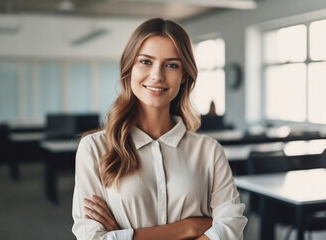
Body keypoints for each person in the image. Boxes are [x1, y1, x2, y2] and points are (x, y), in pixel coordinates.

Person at [72, 18, 247, 240]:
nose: (157, 75)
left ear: (184, 75)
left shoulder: (209, 151)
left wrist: (124, 235)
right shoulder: (94, 149)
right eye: (145, 62)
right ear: (129, 68)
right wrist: (189, 228)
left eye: (172, 65)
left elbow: (231, 231)